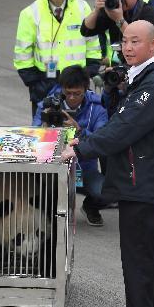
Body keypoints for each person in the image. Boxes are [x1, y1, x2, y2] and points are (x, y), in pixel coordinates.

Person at [61, 21, 154, 307]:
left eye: (135, 42)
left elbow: (123, 128)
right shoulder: (145, 76)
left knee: (138, 251)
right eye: (124, 41)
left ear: (152, 45)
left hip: (143, 180)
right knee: (151, 246)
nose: (127, 47)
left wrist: (83, 147)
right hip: (146, 176)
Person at [14, 0, 101, 116]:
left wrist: (88, 73)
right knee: (45, 132)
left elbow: (92, 43)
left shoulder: (82, 8)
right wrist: (34, 84)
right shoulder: (30, 13)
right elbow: (22, 53)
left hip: (76, 83)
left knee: (78, 130)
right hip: (45, 82)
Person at [33, 65, 109, 226]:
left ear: (86, 89)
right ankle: (50, 206)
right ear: (61, 89)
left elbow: (102, 140)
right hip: (54, 169)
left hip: (85, 169)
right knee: (35, 193)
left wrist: (79, 130)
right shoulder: (47, 105)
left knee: (109, 192)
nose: (72, 98)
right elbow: (33, 138)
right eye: (68, 93)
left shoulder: (97, 107)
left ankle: (90, 207)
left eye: (77, 94)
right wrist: (45, 129)